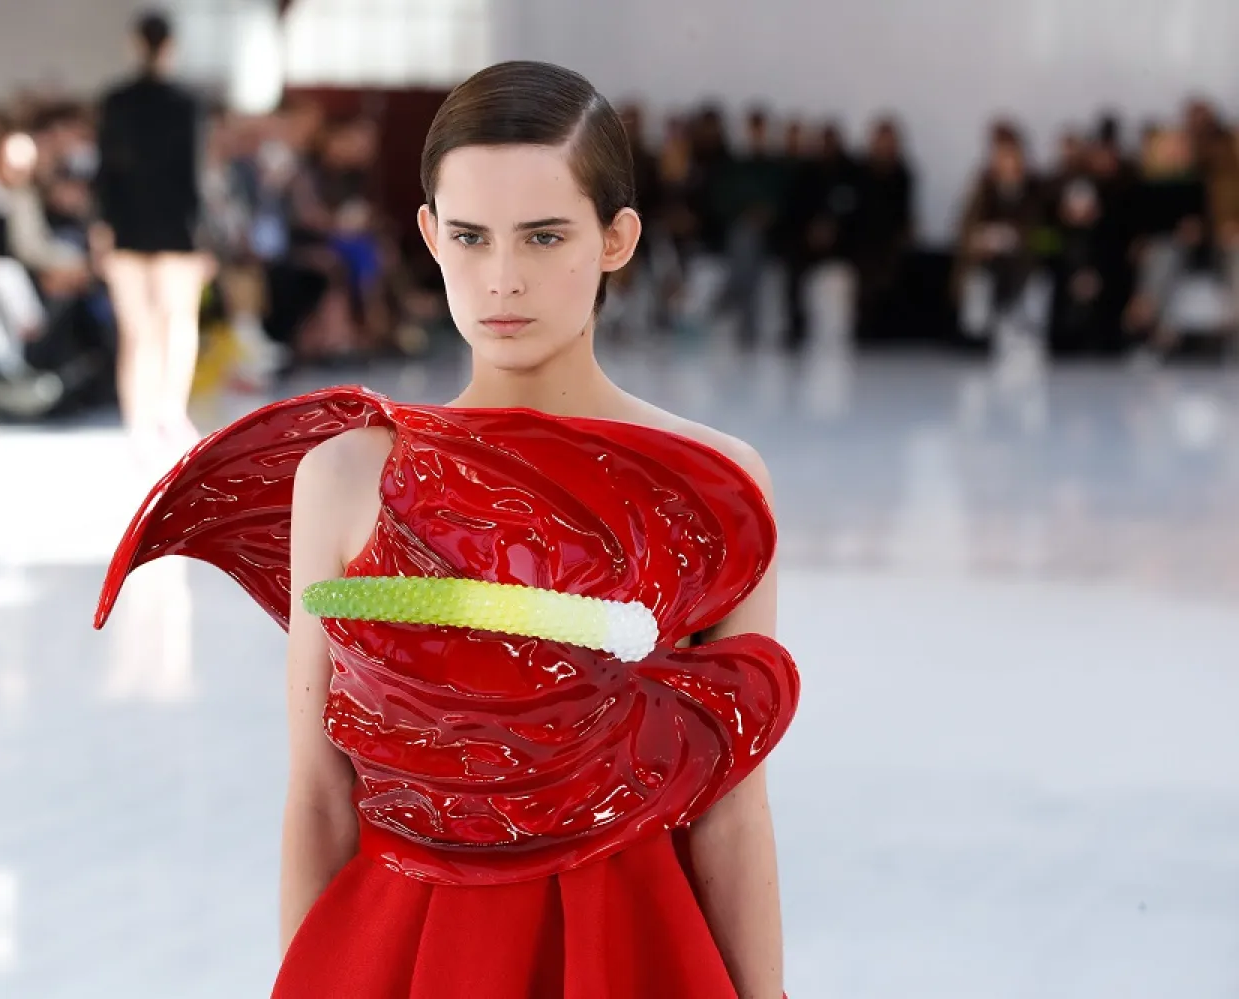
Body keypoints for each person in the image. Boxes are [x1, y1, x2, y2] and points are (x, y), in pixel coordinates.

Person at [95, 61, 800, 998]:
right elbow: (317, 790)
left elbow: (731, 804)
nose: (502, 279)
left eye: (545, 236)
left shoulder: (713, 485)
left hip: (630, 949)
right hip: (400, 948)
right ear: (429, 233)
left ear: (617, 238)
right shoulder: (344, 476)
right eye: (470, 236)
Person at [94, 9, 208, 454]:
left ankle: (139, 422)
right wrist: (203, 235)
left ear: (134, 43)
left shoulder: (115, 101)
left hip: (125, 224)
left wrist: (102, 226)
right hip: (178, 227)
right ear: (170, 46)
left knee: (136, 329)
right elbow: (194, 175)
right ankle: (169, 413)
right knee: (177, 323)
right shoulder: (188, 103)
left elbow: (105, 174)